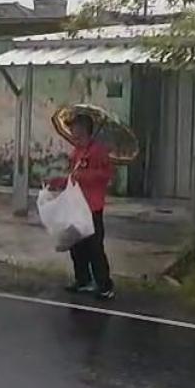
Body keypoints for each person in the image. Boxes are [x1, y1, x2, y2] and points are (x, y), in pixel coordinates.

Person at [50, 113, 115, 301]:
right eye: (71, 128)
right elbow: (73, 177)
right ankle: (82, 279)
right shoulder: (77, 152)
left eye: (75, 128)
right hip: (76, 205)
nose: (72, 132)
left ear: (84, 129)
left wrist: (85, 176)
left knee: (95, 247)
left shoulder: (98, 151)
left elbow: (106, 175)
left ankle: (104, 285)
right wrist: (58, 182)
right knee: (76, 245)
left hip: (92, 206)